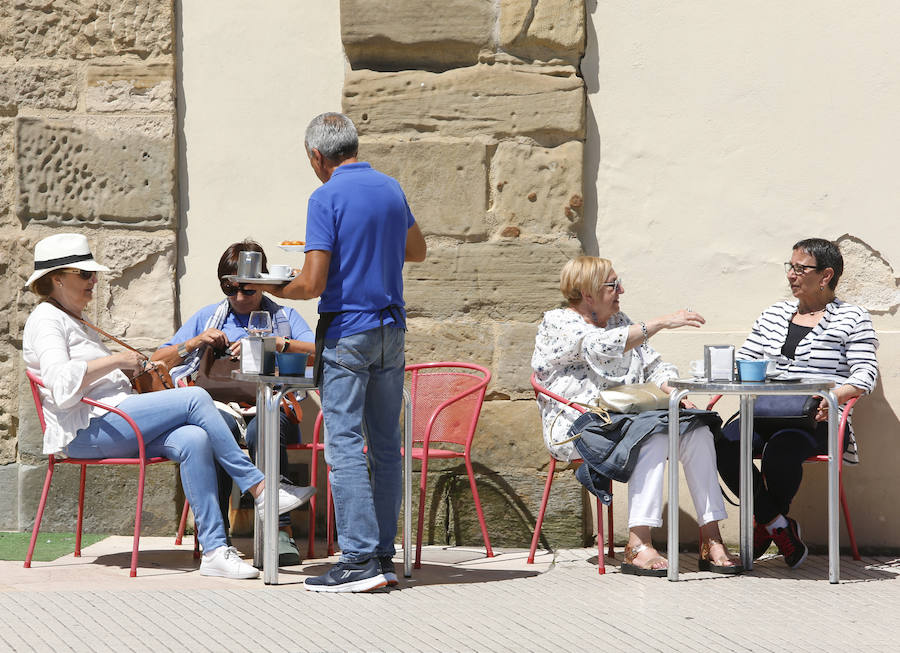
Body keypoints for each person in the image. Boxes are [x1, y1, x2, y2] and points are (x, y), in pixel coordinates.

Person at [22, 233, 314, 579]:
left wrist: (127, 368)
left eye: (92, 274)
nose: (94, 280)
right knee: (195, 398)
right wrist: (118, 361)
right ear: (58, 278)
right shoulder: (46, 320)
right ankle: (262, 489)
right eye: (85, 274)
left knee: (194, 438)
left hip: (113, 419)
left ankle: (216, 550)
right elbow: (59, 384)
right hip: (88, 429)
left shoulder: (74, 319)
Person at [250, 112, 427, 592]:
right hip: (392, 329)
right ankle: (383, 556)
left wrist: (271, 286)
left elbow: (312, 283)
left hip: (349, 329)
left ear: (317, 156)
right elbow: (417, 250)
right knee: (387, 446)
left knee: (345, 444)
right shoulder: (390, 188)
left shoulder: (325, 196)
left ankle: (358, 560)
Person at [532, 256, 740, 576]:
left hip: (631, 421)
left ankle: (710, 537)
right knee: (651, 438)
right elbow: (598, 346)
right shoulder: (558, 323)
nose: (621, 290)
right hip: (578, 424)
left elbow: (654, 364)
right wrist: (658, 323)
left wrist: (669, 386)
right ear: (587, 293)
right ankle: (638, 544)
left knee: (697, 432)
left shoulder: (619, 321)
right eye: (613, 285)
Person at [715, 238, 879, 568]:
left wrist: (832, 397)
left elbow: (865, 375)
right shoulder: (774, 314)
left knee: (782, 448)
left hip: (816, 419)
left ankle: (765, 524)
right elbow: (745, 360)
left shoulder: (852, 318)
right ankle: (777, 524)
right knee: (723, 443)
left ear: (825, 275)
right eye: (790, 267)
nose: (791, 274)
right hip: (764, 413)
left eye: (800, 268)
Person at [151, 240, 316, 566]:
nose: (240, 298)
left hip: (270, 403)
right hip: (219, 406)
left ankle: (279, 531)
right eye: (232, 289)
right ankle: (217, 533)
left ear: (263, 284)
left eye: (249, 290)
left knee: (262, 430)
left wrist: (276, 344)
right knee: (213, 429)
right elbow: (158, 360)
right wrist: (195, 342)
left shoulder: (283, 316)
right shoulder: (209, 317)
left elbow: (316, 352)